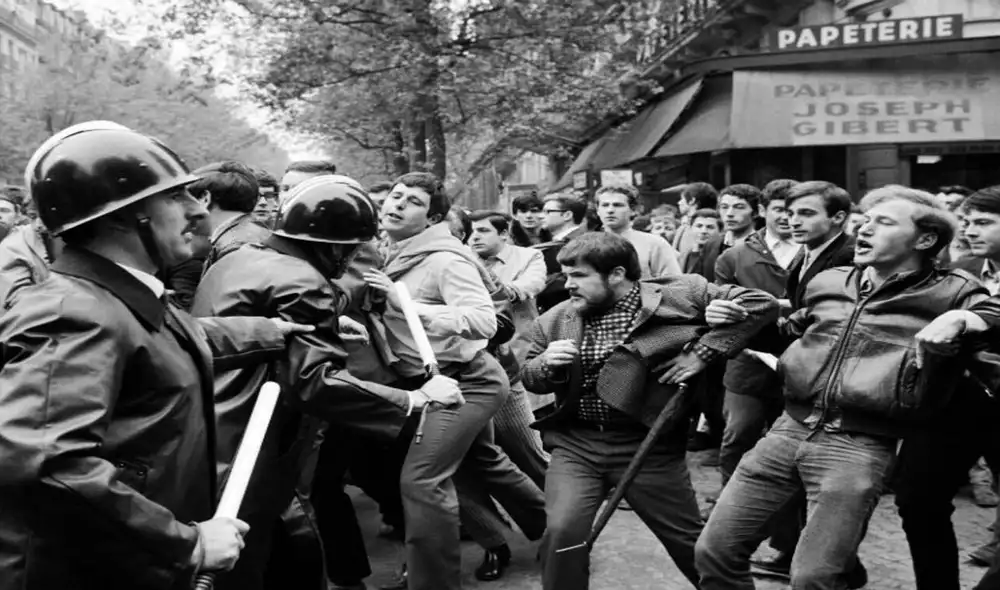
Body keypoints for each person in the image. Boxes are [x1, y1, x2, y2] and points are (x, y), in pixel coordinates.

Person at [0, 121, 313, 590]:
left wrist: (269, 330)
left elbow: (175, 340)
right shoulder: (72, 311)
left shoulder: (117, 298)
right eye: (176, 198)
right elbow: (46, 464)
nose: (198, 213)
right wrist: (184, 544)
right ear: (121, 217)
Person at [696, 185, 991, 590]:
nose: (864, 230)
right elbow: (787, 334)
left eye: (883, 223)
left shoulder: (953, 289)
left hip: (858, 446)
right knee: (714, 550)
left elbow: (991, 313)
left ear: (924, 239)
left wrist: (963, 318)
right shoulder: (831, 280)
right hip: (787, 430)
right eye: (865, 220)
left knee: (814, 578)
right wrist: (732, 318)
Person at [191, 175, 463, 590]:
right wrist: (415, 398)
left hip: (208, 435)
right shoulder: (303, 281)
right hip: (255, 445)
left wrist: (330, 322)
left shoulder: (238, 257)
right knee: (263, 560)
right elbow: (316, 382)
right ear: (336, 245)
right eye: (353, 247)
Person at [521, 231, 779, 590]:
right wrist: (547, 364)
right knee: (563, 534)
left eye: (578, 276)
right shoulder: (555, 319)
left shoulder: (683, 292)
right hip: (576, 445)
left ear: (616, 274)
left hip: (651, 445)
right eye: (565, 275)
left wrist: (704, 351)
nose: (568, 285)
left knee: (692, 544)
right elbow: (530, 376)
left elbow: (761, 303)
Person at [365, 172, 545, 590]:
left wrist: (409, 306)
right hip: (428, 380)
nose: (397, 204)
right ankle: (558, 530)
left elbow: (485, 321)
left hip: (467, 381)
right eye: (395, 196)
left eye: (411, 201)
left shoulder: (446, 258)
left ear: (432, 218)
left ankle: (432, 583)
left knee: (421, 480)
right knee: (482, 465)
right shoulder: (388, 252)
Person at [893, 185, 1000, 590]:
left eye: (984, 222)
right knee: (916, 499)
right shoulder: (966, 269)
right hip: (956, 399)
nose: (971, 230)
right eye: (968, 222)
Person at [713, 179, 799, 487]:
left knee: (792, 443)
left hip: (803, 361)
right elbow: (722, 305)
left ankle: (784, 518)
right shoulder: (735, 256)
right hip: (747, 359)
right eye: (779, 210)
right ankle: (729, 501)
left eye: (796, 210)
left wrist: (767, 305)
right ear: (763, 210)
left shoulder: (817, 253)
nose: (788, 218)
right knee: (739, 433)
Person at [595, 183, 681, 278]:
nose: (610, 210)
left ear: (633, 210)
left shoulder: (654, 244)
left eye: (618, 205)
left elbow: (674, 283)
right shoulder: (588, 245)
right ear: (598, 210)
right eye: (605, 205)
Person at [535, 192, 589, 312]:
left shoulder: (579, 242)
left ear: (567, 215)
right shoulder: (558, 241)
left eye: (548, 212)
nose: (540, 216)